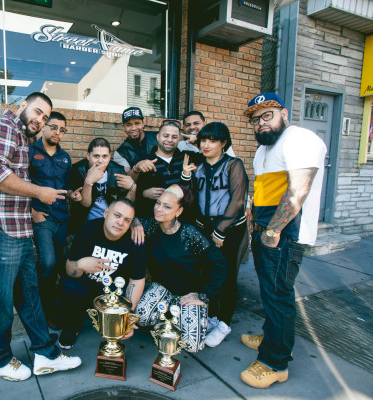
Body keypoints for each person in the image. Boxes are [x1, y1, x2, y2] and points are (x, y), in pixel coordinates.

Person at [0, 92, 81, 382]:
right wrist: (39, 192)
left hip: (18, 229)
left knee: (29, 295)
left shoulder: (21, 137)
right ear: (22, 106)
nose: (40, 120)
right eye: (38, 112)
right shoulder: (2, 127)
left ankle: (45, 354)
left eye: (45, 117)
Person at [239, 92, 326, 388]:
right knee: (269, 291)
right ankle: (272, 335)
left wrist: (273, 231)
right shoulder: (266, 147)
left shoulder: (299, 139)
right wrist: (253, 219)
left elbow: (298, 190)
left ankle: (275, 362)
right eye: (255, 119)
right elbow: (264, 189)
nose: (260, 123)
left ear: (284, 113)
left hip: (284, 233)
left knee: (279, 295)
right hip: (265, 230)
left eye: (267, 115)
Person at [134, 184, 229, 353]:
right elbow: (133, 216)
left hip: (188, 294)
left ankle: (190, 318)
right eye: (158, 203)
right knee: (141, 315)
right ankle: (171, 319)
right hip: (162, 289)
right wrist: (135, 223)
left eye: (167, 206)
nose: (159, 209)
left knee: (191, 345)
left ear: (179, 212)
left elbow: (220, 264)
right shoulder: (151, 226)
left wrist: (204, 295)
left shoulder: (190, 234)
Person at [181, 122, 249, 348]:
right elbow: (189, 201)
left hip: (230, 228)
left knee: (227, 275)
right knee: (207, 273)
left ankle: (224, 324)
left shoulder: (233, 165)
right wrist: (185, 177)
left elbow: (237, 200)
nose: (206, 145)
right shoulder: (197, 165)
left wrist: (220, 231)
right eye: (203, 140)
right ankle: (213, 316)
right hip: (204, 227)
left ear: (224, 143)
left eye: (212, 140)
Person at [59, 198, 146, 349]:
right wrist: (81, 264)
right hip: (86, 285)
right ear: (106, 213)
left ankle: (113, 330)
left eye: (127, 220)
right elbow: (69, 269)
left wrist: (127, 315)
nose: (120, 222)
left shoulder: (135, 239)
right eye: (117, 215)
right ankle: (71, 327)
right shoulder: (89, 229)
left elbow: (136, 280)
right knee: (69, 284)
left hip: (114, 292)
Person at [29, 111, 82, 328]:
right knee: (47, 263)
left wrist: (72, 194)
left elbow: (65, 187)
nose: (57, 132)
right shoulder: (29, 153)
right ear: (44, 126)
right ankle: (44, 311)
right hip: (42, 217)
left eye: (62, 129)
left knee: (61, 265)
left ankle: (59, 309)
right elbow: (21, 185)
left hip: (62, 218)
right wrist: (31, 212)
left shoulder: (65, 157)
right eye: (53, 127)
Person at [133, 120, 199, 218]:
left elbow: (214, 155)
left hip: (183, 220)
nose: (170, 140)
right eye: (166, 135)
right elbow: (129, 190)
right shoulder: (145, 160)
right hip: (153, 220)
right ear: (158, 137)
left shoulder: (187, 157)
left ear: (179, 139)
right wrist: (143, 193)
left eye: (174, 137)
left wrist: (198, 140)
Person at [69, 138, 136, 234]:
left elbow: (125, 203)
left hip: (110, 222)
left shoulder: (117, 170)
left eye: (104, 156)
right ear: (88, 156)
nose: (100, 161)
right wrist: (88, 182)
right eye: (96, 156)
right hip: (84, 222)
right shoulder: (79, 170)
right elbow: (85, 204)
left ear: (109, 157)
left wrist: (133, 187)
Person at [113, 107, 158, 175]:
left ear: (143, 124)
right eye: (129, 125)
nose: (133, 128)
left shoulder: (158, 138)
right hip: (140, 185)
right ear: (123, 127)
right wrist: (136, 167)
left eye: (137, 123)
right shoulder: (121, 152)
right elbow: (126, 179)